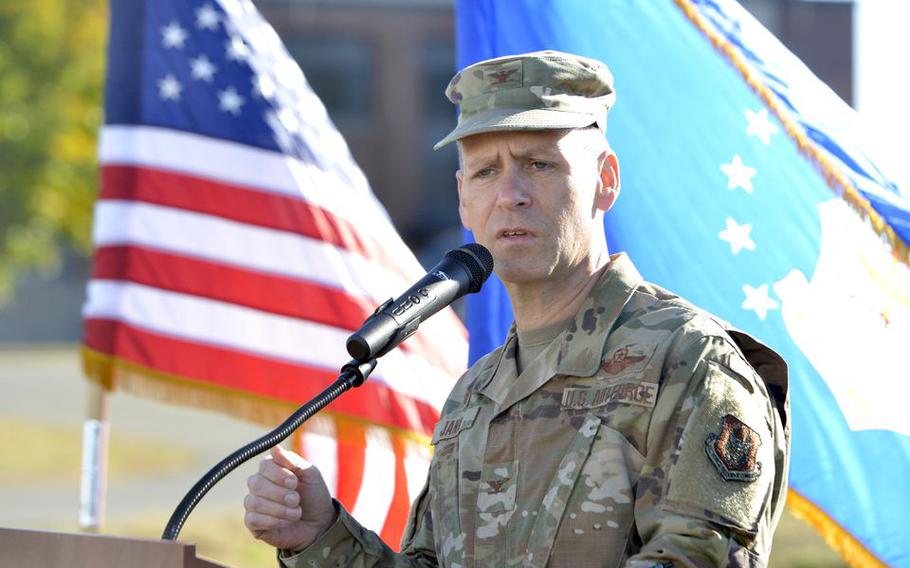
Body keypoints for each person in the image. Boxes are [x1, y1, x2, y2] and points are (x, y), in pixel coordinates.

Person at [243, 50, 790, 567]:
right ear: (463, 199)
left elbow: (698, 557)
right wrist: (320, 537)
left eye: (539, 164)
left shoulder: (690, 361)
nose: (511, 194)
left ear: (604, 180)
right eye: (486, 172)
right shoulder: (476, 393)